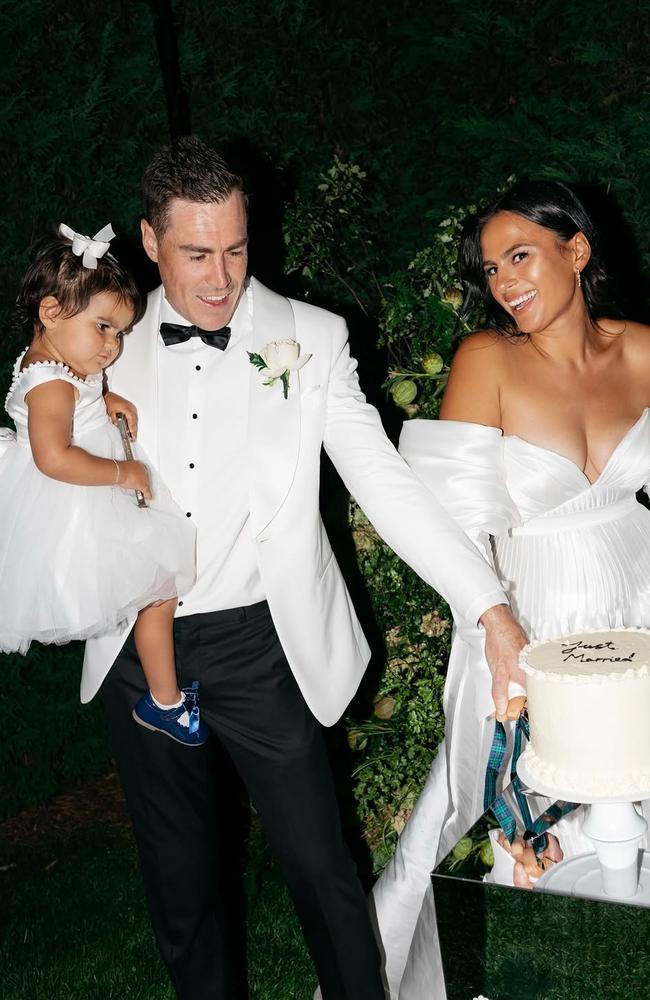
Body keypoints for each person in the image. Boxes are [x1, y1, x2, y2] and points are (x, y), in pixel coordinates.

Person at [83, 135, 524, 1000]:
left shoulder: (311, 340)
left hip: (263, 643)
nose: (219, 278)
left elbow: (390, 489)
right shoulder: (104, 343)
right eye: (196, 254)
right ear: (147, 241)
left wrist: (488, 606)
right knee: (182, 884)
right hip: (139, 646)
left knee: (323, 869)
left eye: (237, 249)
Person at [371, 179, 650, 999]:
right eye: (490, 269)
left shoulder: (643, 348)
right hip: (533, 617)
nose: (503, 283)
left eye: (519, 256)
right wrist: (496, 635)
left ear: (578, 250)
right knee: (517, 814)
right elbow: (454, 534)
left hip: (641, 607)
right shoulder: (487, 360)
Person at [0, 226, 203, 746]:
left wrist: (104, 393)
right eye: (104, 328)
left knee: (154, 593)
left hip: (87, 497)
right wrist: (124, 472)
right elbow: (54, 459)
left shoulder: (60, 364)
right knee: (157, 591)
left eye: (120, 334)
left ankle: (165, 699)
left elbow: (79, 392)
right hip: (75, 502)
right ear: (51, 313)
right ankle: (166, 703)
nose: (112, 347)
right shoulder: (49, 383)